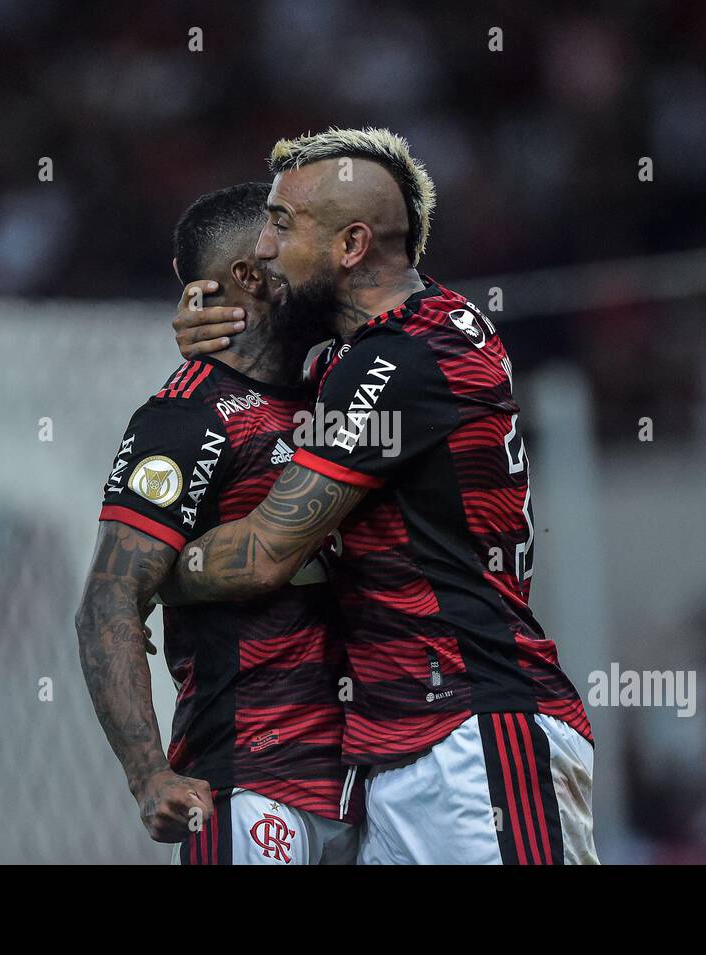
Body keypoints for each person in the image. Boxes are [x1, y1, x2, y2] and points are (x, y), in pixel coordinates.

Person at [162, 128, 598, 864]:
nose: (264, 249)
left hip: (478, 733)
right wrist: (228, 330)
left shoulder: (404, 358)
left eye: (282, 224)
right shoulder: (382, 346)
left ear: (352, 245)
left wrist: (153, 570)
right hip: (403, 747)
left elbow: (268, 551)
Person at [75, 182, 360, 865]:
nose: (310, 260)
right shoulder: (185, 416)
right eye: (287, 243)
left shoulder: (345, 393)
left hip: (368, 779)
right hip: (253, 782)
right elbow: (108, 597)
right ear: (249, 274)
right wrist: (149, 775)